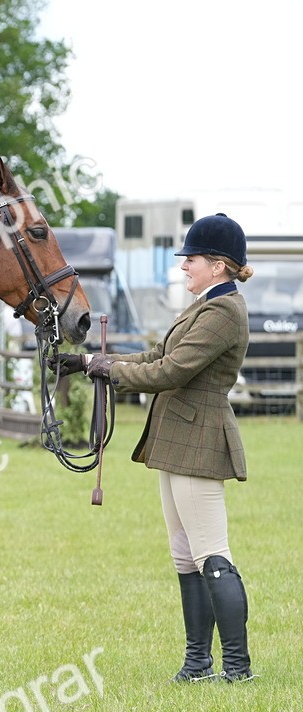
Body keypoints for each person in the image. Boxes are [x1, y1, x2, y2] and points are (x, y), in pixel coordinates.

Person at [49, 213, 256, 683]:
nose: (184, 266)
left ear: (219, 265)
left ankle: (237, 668)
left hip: (199, 436)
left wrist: (106, 371)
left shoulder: (223, 312)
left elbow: (170, 373)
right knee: (186, 555)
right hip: (177, 436)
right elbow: (155, 358)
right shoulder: (205, 305)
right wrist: (87, 361)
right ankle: (198, 662)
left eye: (193, 260)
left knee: (212, 554)